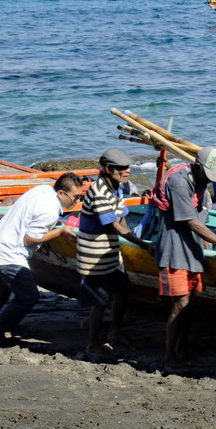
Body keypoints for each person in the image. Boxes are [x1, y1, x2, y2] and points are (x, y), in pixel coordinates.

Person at [0, 173, 85, 345]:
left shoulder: (43, 189)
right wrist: (59, 232)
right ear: (61, 194)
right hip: (9, 253)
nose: (77, 201)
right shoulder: (49, 210)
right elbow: (29, 239)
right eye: (76, 197)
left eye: (80, 197)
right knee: (29, 296)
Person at [155, 146, 216, 369]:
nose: (209, 179)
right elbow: (192, 221)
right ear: (197, 167)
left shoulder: (200, 181)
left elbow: (201, 215)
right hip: (174, 248)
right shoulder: (179, 182)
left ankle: (183, 352)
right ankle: (169, 358)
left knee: (189, 304)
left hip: (192, 248)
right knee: (180, 304)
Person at [76, 147, 152, 357]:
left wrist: (133, 237)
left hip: (111, 251)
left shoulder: (118, 187)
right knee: (99, 299)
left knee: (122, 289)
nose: (127, 171)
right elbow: (114, 227)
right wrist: (143, 245)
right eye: (122, 168)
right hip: (94, 253)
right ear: (109, 169)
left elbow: (122, 217)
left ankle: (114, 333)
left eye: (128, 167)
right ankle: (92, 344)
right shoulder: (98, 190)